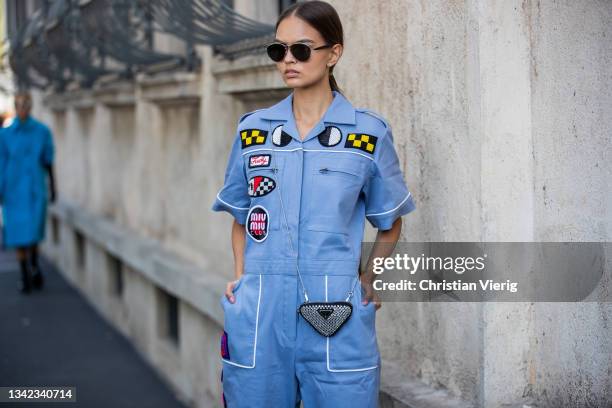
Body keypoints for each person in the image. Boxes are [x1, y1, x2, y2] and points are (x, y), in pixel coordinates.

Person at [211, 1, 416, 407]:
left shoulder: (367, 135)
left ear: (333, 54)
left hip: (334, 310)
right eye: (278, 50)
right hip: (261, 312)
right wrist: (242, 278)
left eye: (301, 49)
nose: (288, 60)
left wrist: (367, 279)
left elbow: (390, 220)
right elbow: (241, 213)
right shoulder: (253, 133)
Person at [0, 91, 56, 293]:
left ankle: (34, 264)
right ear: (15, 107)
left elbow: (48, 160)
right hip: (13, 190)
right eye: (19, 105)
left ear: (30, 107)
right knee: (17, 234)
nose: (23, 109)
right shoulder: (5, 135)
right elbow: (1, 163)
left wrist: (53, 187)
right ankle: (24, 274)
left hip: (34, 188)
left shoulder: (42, 131)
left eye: (26, 105)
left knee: (33, 232)